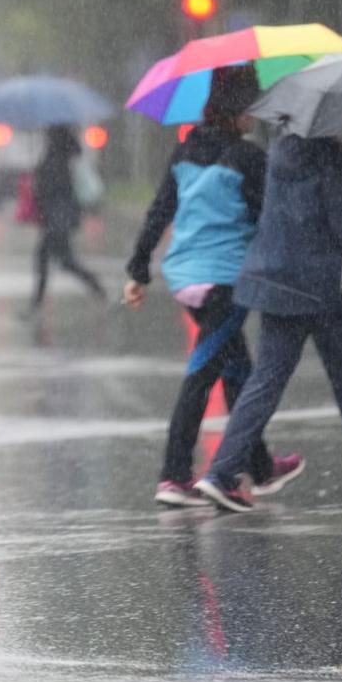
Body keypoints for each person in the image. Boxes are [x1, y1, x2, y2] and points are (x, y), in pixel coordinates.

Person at [195, 134, 342, 512]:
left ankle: (221, 473)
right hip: (325, 289)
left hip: (277, 281)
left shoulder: (283, 151)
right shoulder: (339, 160)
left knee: (266, 380)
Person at [123, 66, 304, 507]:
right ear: (238, 111)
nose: (255, 117)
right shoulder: (248, 157)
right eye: (251, 108)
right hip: (225, 279)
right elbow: (269, 218)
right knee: (202, 374)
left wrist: (139, 269)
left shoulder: (185, 151)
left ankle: (260, 467)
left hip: (184, 275)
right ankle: (174, 475)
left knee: (236, 369)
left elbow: (160, 210)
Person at [27, 124, 105, 312]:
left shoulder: (56, 156)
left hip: (57, 217)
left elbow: (51, 189)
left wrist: (38, 181)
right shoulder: (63, 153)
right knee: (52, 259)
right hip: (58, 216)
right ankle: (36, 304)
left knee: (58, 260)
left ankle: (97, 287)